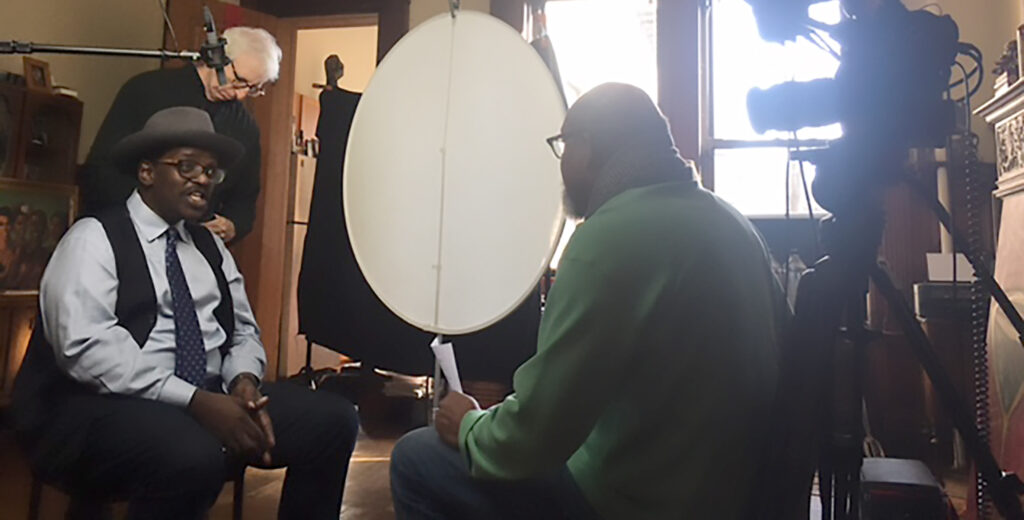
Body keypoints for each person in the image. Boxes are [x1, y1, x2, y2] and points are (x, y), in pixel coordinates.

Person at [390, 83, 784, 520]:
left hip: (633, 501)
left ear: (587, 147)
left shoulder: (607, 238)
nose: (560, 166)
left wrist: (467, 426)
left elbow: (532, 441)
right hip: (729, 494)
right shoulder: (736, 226)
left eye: (562, 147)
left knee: (416, 457)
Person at [12, 107, 359, 520]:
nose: (202, 180)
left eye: (211, 172)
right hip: (97, 407)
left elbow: (243, 331)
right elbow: (86, 349)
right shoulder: (93, 238)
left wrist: (244, 382)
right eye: (187, 166)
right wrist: (194, 400)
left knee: (333, 421)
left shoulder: (210, 247)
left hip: (209, 394)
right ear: (146, 173)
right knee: (191, 455)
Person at [80, 26, 282, 244]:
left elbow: (245, 201)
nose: (241, 94)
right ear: (216, 56)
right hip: (122, 233)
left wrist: (232, 226)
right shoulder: (146, 89)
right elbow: (101, 170)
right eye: (238, 80)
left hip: (193, 247)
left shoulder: (246, 127)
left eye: (253, 88)